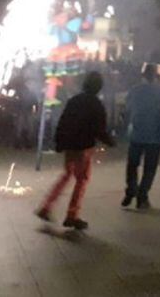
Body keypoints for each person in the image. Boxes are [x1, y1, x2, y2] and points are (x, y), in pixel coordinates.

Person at [36, 71, 115, 230]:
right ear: (98, 87)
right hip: (84, 147)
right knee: (82, 179)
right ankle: (72, 215)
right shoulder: (96, 104)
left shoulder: (75, 100)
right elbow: (99, 128)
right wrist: (110, 141)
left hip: (70, 145)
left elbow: (63, 121)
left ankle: (46, 206)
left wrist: (59, 142)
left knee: (66, 175)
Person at [122, 64, 160, 210]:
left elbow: (127, 110)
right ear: (156, 76)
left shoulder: (134, 90)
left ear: (143, 75)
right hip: (154, 136)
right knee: (149, 169)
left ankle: (131, 190)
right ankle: (142, 196)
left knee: (132, 165)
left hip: (136, 133)